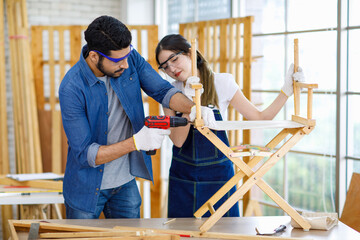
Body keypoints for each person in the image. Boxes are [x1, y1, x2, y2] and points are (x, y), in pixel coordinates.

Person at [58, 16, 216, 219]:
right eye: (117, 60)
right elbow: (86, 154)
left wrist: (195, 109)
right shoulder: (71, 88)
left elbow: (162, 91)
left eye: (128, 55)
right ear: (94, 57)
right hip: (85, 189)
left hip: (125, 182)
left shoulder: (130, 59)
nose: (125, 64)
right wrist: (137, 142)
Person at [155, 34, 304, 218]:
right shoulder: (170, 93)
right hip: (183, 177)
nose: (171, 69)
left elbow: (259, 118)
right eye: (165, 67)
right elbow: (178, 141)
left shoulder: (222, 82)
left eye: (174, 59)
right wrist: (191, 103)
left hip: (219, 177)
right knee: (183, 233)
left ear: (190, 53)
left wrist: (286, 90)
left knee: (224, 231)